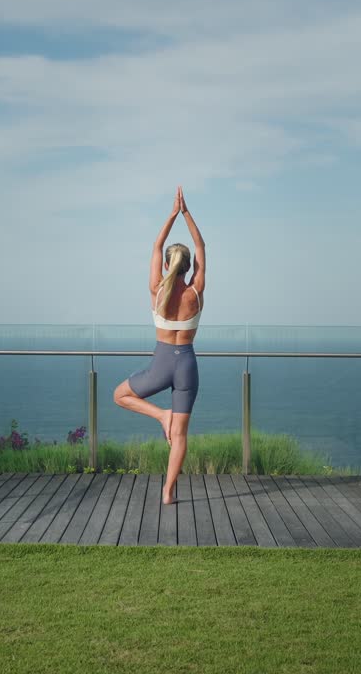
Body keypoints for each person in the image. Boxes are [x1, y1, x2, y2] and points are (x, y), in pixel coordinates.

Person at [113, 186, 205, 505]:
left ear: (167, 266)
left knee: (119, 395)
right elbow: (200, 245)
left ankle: (160, 415)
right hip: (187, 366)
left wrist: (172, 214)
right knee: (180, 435)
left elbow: (156, 246)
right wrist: (187, 213)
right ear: (188, 267)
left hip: (161, 365)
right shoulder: (195, 292)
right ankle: (168, 492)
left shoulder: (157, 291)